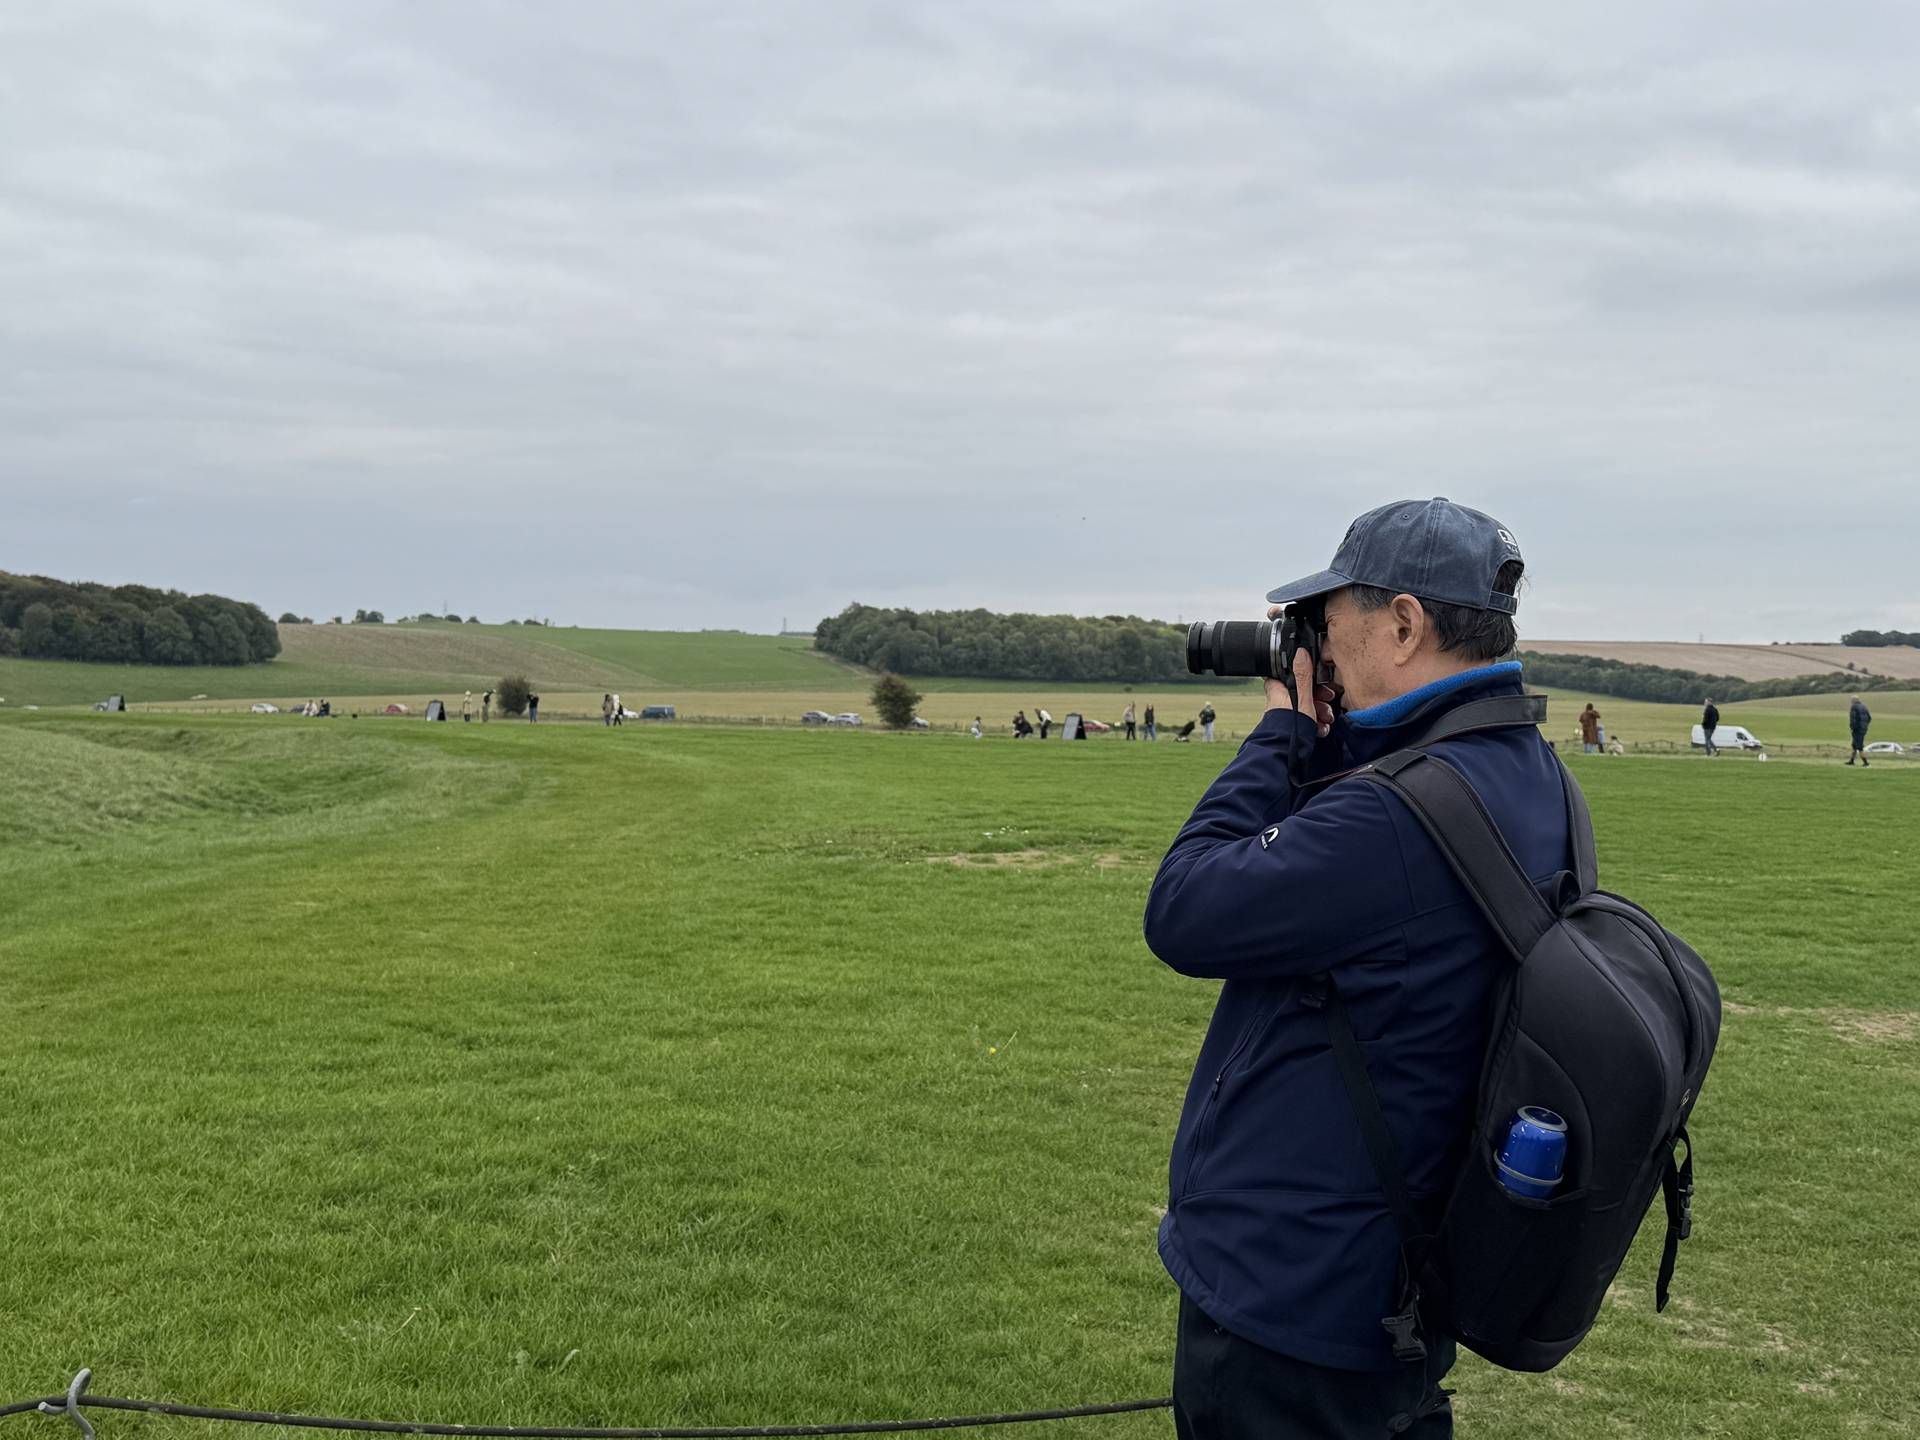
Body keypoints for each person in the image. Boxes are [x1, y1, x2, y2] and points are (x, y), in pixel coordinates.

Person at [1145, 498, 1559, 1438]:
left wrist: (1279, 736)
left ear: (1404, 624)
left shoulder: (1390, 822)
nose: (1316, 649)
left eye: (1328, 624)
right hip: (1401, 1279)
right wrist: (1336, 741)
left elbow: (1184, 910)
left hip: (1297, 1305)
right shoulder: (1533, 776)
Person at [1848, 695, 1872, 765]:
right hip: (1863, 729)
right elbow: (1869, 718)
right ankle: (1851, 761)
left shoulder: (1854, 707)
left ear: (1853, 701)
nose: (1851, 702)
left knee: (1859, 746)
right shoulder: (1864, 706)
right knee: (1854, 745)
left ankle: (1865, 762)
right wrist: (1865, 726)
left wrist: (1853, 727)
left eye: (1851, 700)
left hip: (1857, 730)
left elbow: (1853, 719)